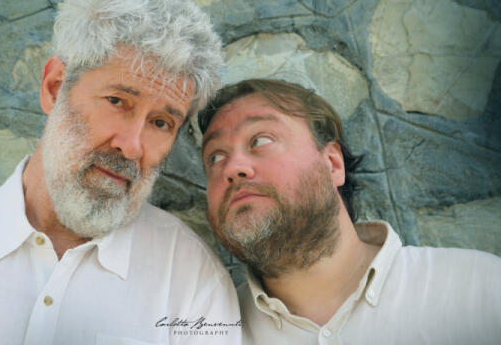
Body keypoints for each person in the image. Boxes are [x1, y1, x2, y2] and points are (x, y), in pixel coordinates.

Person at [0, 0, 241, 344]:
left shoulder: (191, 281)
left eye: (161, 122)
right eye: (117, 101)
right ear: (54, 88)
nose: (131, 146)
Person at [198, 78, 501, 344]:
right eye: (215, 157)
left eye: (260, 140)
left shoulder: (479, 290)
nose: (232, 167)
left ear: (333, 164)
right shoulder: (205, 332)